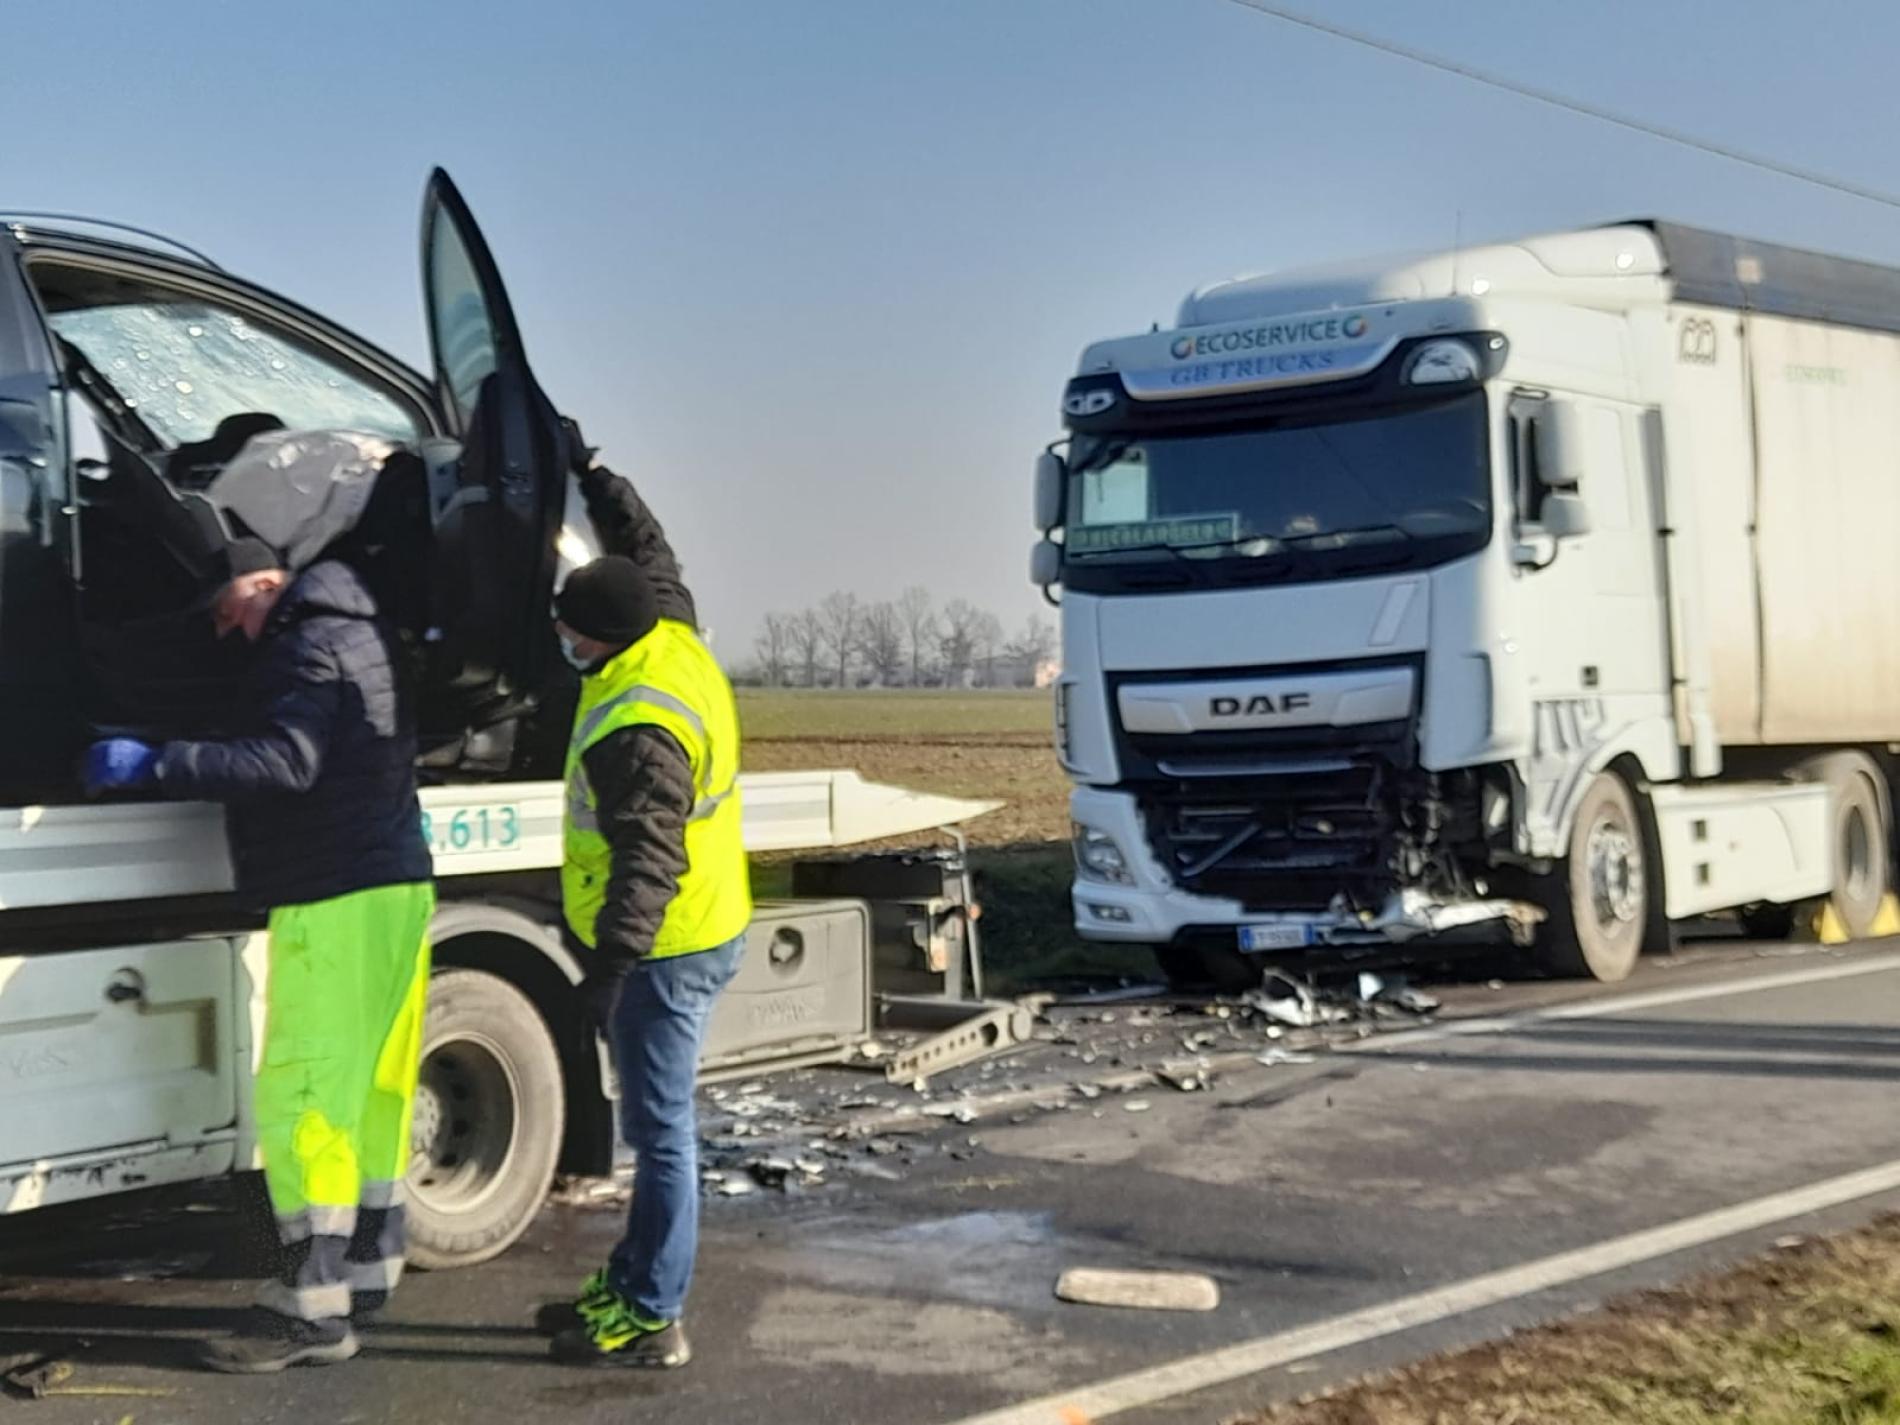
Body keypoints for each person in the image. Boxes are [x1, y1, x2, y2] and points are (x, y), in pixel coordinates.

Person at [85, 536, 434, 1374]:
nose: (228, 630)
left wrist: (157, 762)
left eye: (229, 609)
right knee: (374, 1087)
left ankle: (311, 1309)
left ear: (267, 584)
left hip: (333, 893)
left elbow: (288, 759)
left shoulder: (307, 642)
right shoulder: (358, 627)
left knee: (306, 1091)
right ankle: (366, 1269)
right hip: (394, 884)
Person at [541, 463, 751, 1369]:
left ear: (598, 638)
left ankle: (653, 1312)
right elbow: (648, 545)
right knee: (654, 1125)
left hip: (669, 944)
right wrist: (594, 472)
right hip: (704, 919)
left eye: (568, 629)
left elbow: (648, 862)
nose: (559, 637)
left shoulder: (640, 729)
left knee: (661, 1133)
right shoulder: (669, 627)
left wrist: (610, 971)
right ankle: (633, 1278)